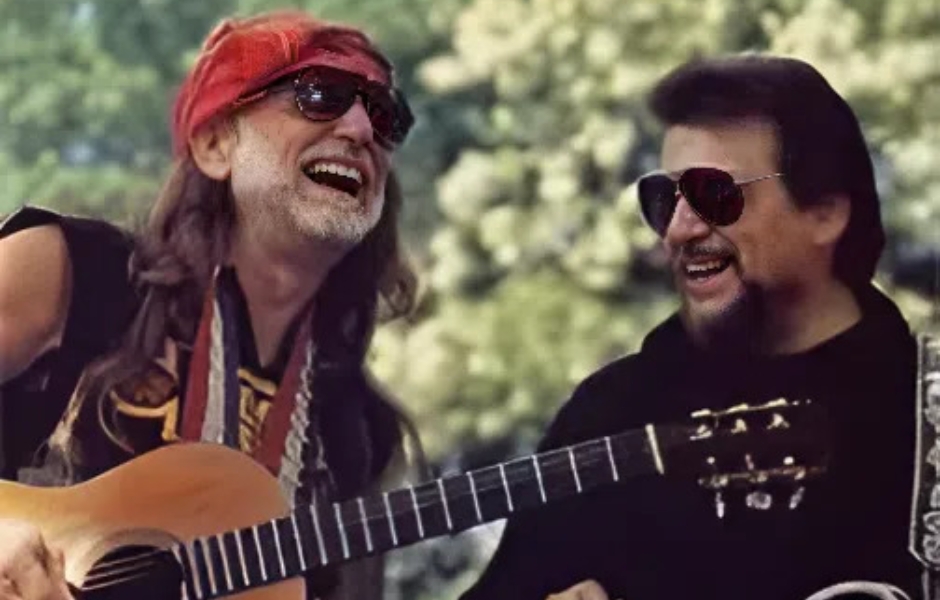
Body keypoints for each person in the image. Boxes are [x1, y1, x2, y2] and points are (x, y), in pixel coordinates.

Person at [459, 55, 920, 600]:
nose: (678, 230)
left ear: (825, 213)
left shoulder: (923, 411)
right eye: (663, 199)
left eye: (713, 194)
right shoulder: (608, 413)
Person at [0, 10, 421, 600]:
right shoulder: (67, 271)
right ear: (216, 143)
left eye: (384, 114)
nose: (360, 127)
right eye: (319, 94)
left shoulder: (357, 430)